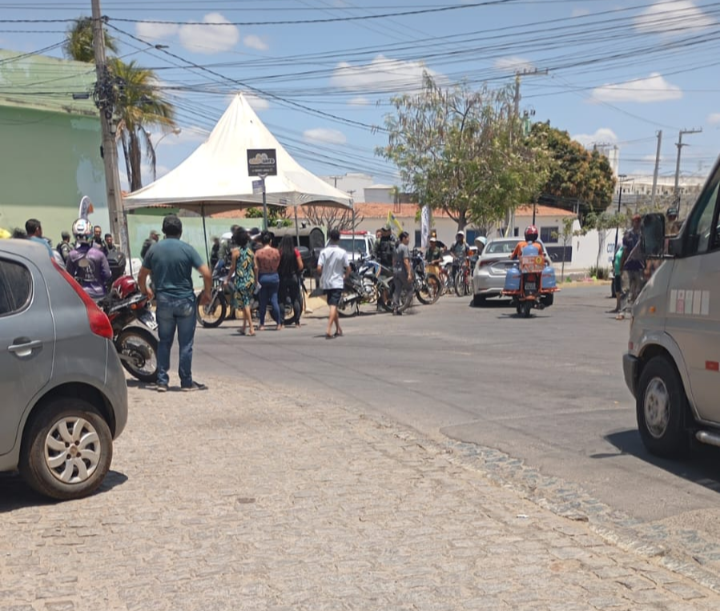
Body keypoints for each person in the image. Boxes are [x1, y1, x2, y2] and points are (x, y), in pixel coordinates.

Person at [139, 215, 212, 392]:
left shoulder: (154, 250)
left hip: (163, 300)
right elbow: (207, 273)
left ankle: (162, 381)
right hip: (185, 300)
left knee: (164, 341)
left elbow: (142, 275)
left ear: (163, 231)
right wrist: (207, 293)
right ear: (180, 231)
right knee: (186, 343)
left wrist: (145, 291)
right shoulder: (187, 249)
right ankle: (186, 382)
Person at [65, 218, 112, 300]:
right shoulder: (99, 254)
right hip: (100, 294)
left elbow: (68, 278)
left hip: (81, 296)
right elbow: (107, 275)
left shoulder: (71, 255)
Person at [317, 228, 350, 339]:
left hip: (327, 282)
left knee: (332, 305)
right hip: (337, 282)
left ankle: (338, 328)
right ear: (338, 239)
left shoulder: (323, 252)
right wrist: (345, 275)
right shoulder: (342, 252)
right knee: (333, 306)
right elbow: (348, 267)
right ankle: (328, 329)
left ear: (330, 238)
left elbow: (318, 268)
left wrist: (322, 274)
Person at [225, 228, 257, 337]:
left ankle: (251, 328)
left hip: (241, 280)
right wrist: (256, 280)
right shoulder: (250, 252)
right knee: (245, 302)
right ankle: (244, 327)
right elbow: (256, 267)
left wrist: (227, 279)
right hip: (250, 279)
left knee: (245, 303)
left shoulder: (235, 252)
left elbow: (233, 268)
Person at [617, 215, 644, 320]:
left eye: (638, 221)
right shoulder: (628, 235)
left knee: (639, 291)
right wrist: (621, 266)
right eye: (635, 221)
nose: (636, 223)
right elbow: (624, 252)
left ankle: (635, 312)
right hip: (628, 265)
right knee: (625, 290)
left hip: (640, 266)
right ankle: (622, 312)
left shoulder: (643, 236)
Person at [254, 231, 282, 331]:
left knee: (263, 302)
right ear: (270, 241)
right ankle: (278, 323)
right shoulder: (276, 252)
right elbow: (278, 263)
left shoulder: (258, 253)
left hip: (263, 277)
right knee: (274, 301)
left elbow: (256, 267)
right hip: (274, 276)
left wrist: (256, 280)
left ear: (262, 242)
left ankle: (262, 324)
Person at [278, 235, 305, 328]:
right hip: (293, 277)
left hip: (283, 277)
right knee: (295, 299)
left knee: (281, 300)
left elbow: (277, 265)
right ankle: (297, 322)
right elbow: (301, 265)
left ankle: (281, 322)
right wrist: (297, 271)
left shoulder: (280, 252)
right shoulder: (295, 251)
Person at [392, 231, 413, 316]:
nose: (409, 240)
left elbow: (393, 260)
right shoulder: (404, 248)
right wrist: (409, 274)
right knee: (410, 289)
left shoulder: (395, 247)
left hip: (395, 271)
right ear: (403, 238)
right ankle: (403, 307)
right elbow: (406, 261)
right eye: (408, 238)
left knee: (397, 290)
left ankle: (395, 308)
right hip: (402, 271)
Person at [609, 244, 624, 314]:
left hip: (621, 272)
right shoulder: (619, 247)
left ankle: (622, 307)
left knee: (621, 291)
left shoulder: (625, 249)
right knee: (617, 291)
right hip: (617, 272)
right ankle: (618, 307)